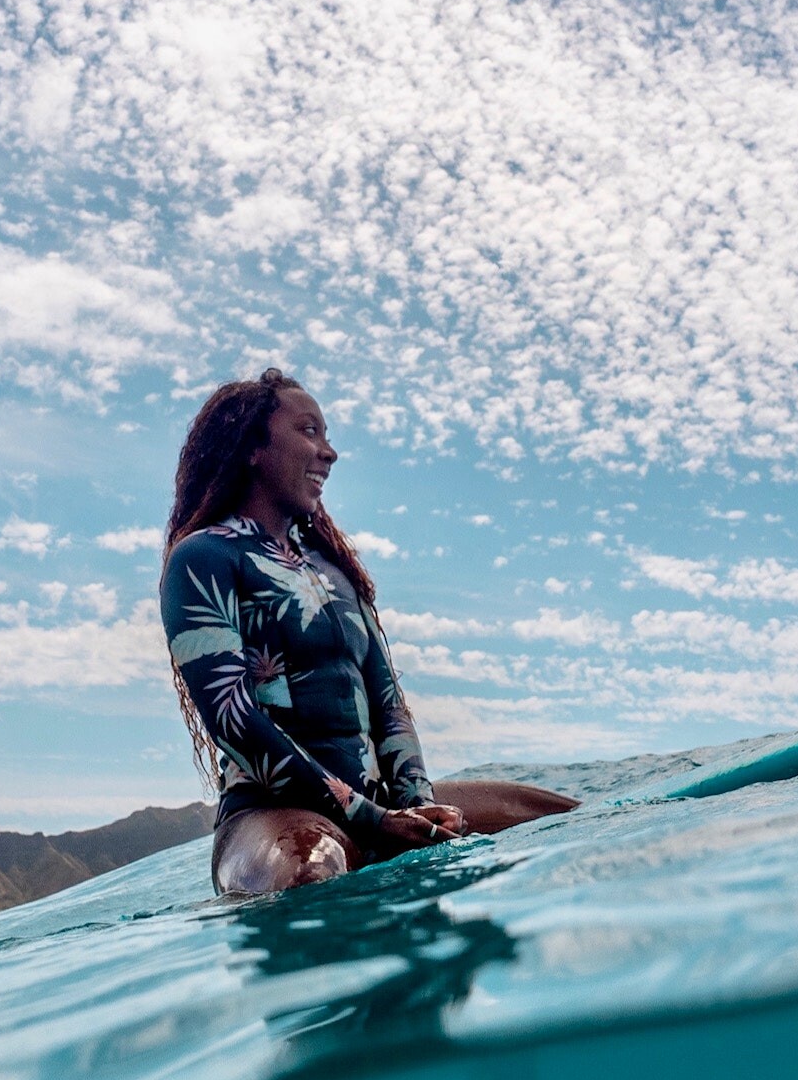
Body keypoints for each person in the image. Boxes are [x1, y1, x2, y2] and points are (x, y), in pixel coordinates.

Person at [161, 367, 577, 894]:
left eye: (328, 435)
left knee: (557, 816)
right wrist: (371, 819)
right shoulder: (203, 558)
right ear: (252, 448)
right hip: (274, 816)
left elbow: (388, 703)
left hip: (382, 807)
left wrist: (417, 806)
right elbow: (232, 718)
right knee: (311, 870)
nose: (329, 452)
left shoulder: (334, 569)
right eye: (309, 431)